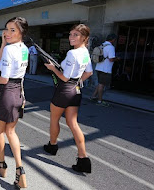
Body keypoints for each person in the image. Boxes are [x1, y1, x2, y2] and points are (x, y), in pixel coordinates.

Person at [43, 24, 93, 173]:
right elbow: (89, 73)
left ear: (84, 37)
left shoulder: (73, 53)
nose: (71, 37)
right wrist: (78, 82)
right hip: (76, 90)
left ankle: (52, 146)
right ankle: (83, 159)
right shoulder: (85, 52)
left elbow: (64, 77)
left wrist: (52, 69)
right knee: (73, 123)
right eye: (70, 34)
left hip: (64, 90)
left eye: (75, 35)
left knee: (54, 119)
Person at [0, 17, 29, 189]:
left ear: (21, 32)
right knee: (11, 132)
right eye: (7, 29)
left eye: (13, 30)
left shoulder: (9, 50)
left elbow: (3, 78)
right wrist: (4, 44)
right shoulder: (25, 49)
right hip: (18, 92)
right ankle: (20, 170)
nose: (8, 33)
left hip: (6, 92)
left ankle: (2, 165)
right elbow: (0, 63)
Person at [90, 34, 119, 107]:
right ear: (113, 40)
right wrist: (117, 59)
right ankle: (100, 100)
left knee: (100, 83)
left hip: (98, 67)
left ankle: (93, 96)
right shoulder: (111, 47)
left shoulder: (102, 45)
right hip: (105, 69)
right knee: (101, 85)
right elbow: (111, 59)